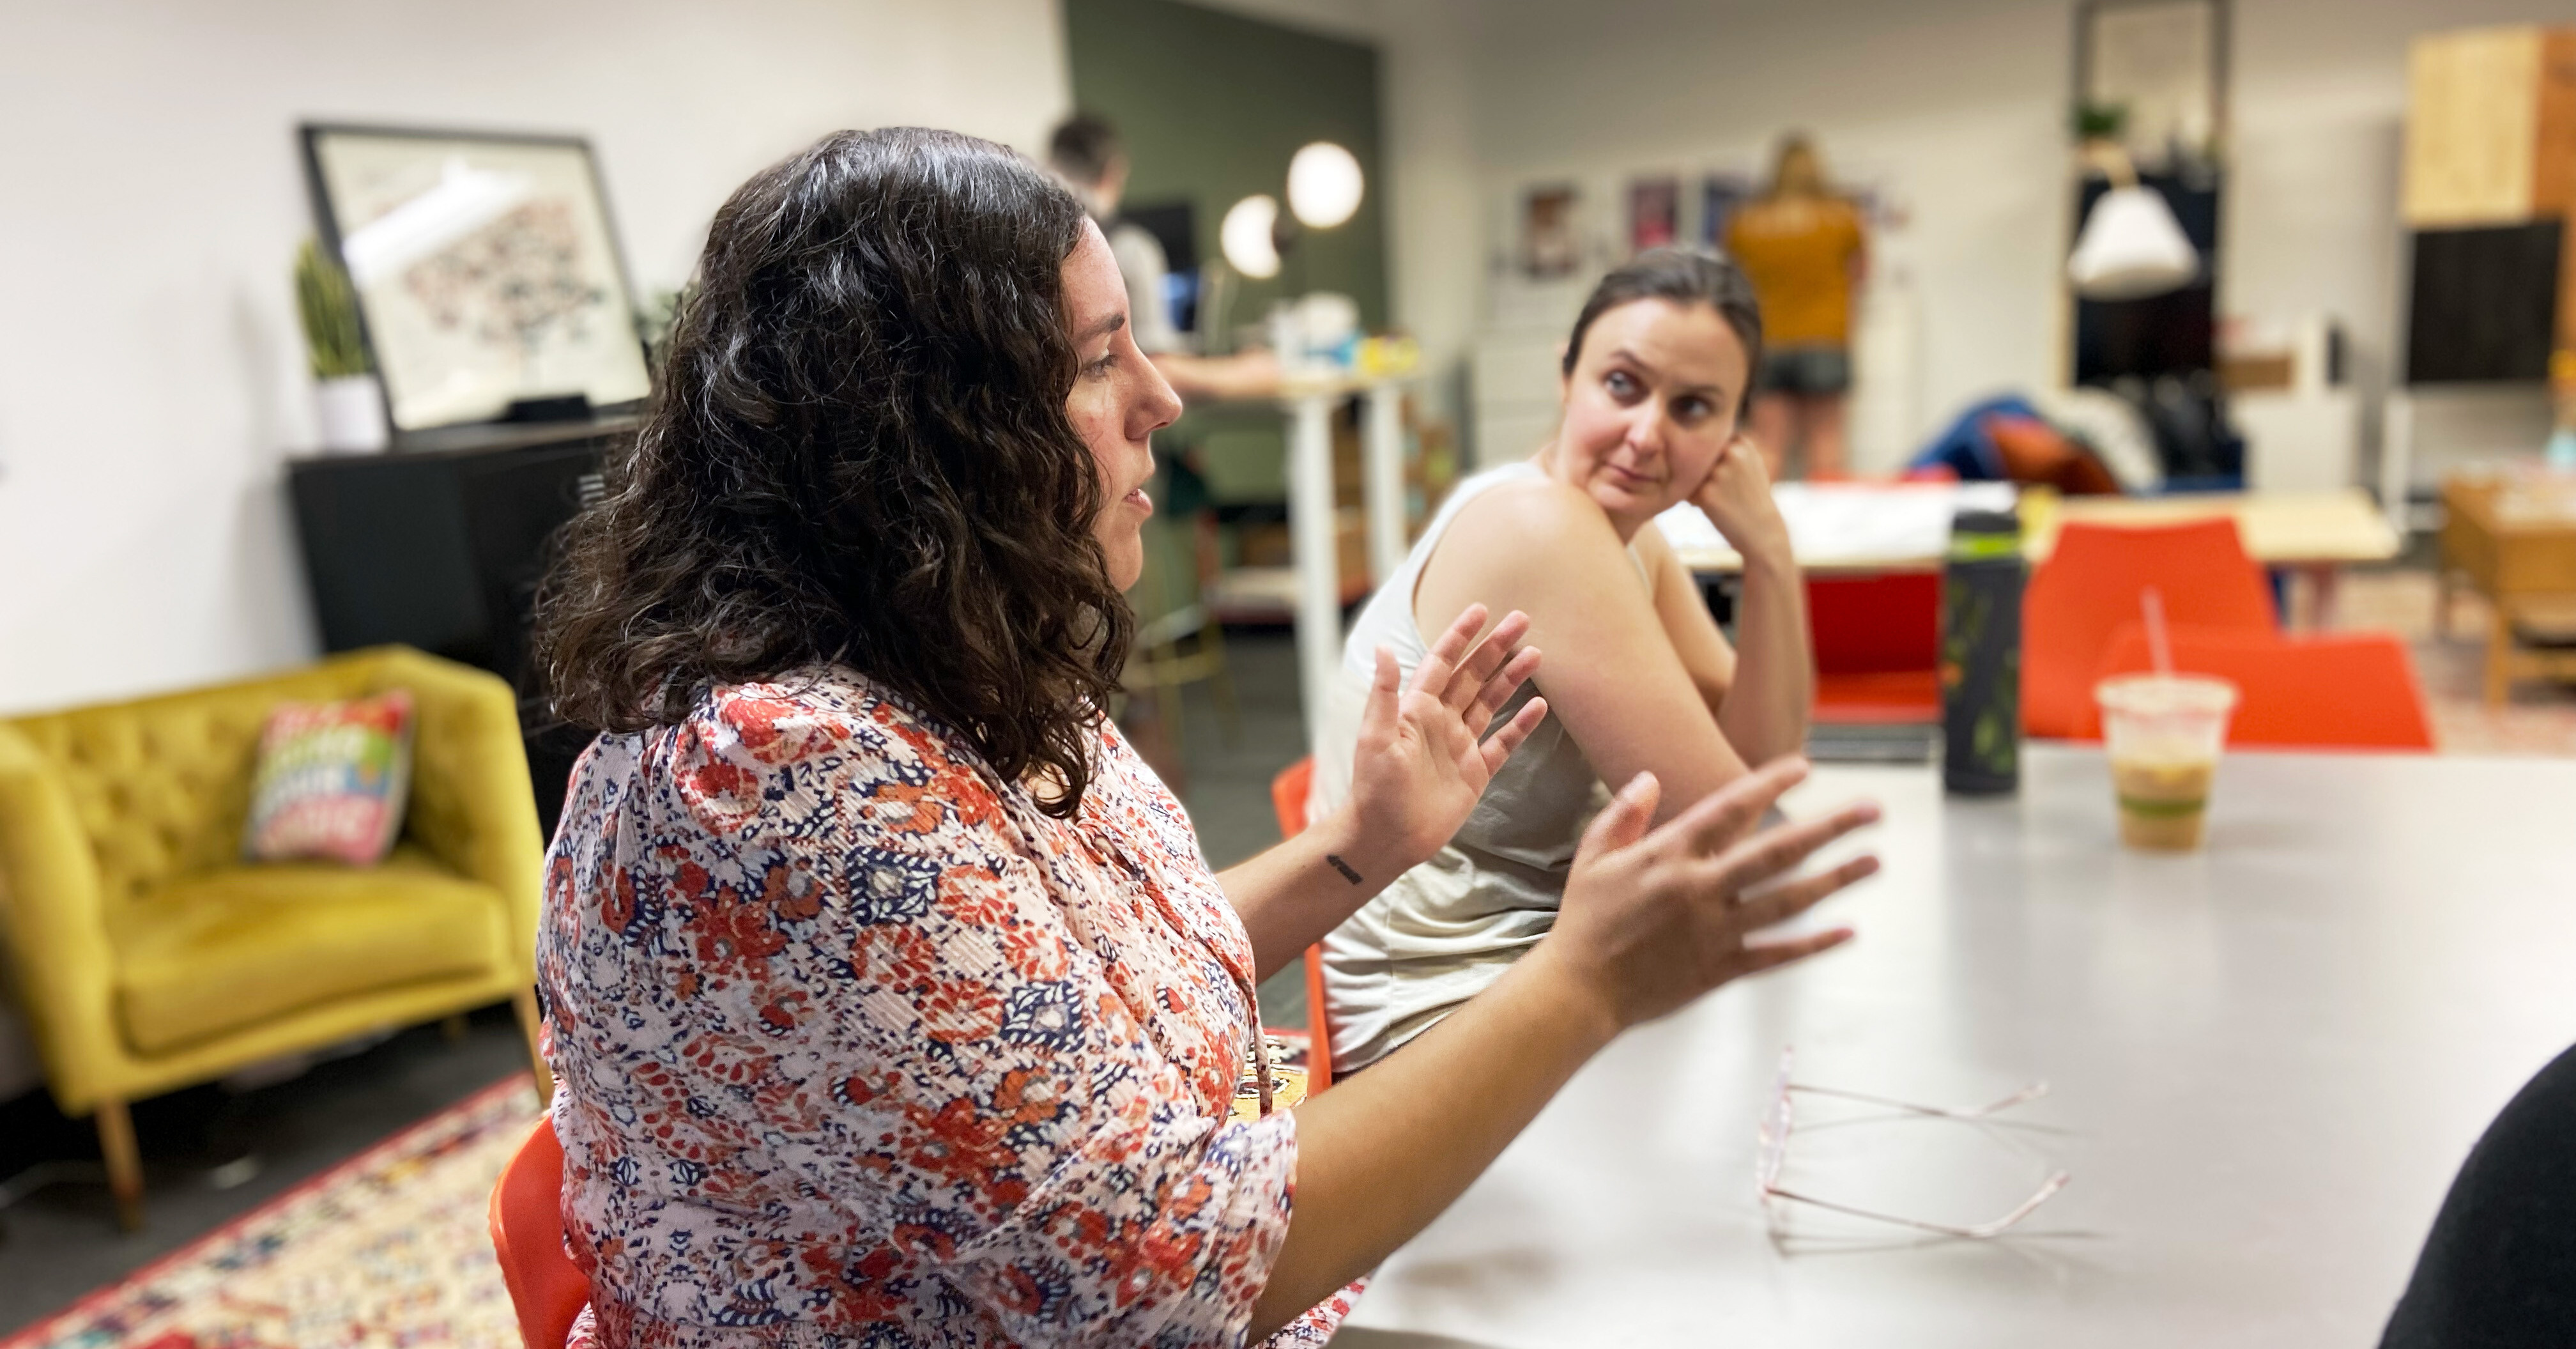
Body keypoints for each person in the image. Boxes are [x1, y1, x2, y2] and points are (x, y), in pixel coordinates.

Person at [530, 127, 1878, 1348]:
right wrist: (1583, 984)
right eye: (1099, 358)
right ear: (924, 432)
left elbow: (1096, 970)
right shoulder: (778, 782)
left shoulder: (948, 673)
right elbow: (1158, 1276)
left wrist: (1361, 847)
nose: (1163, 397)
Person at [1315, 247, 1815, 1076]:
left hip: (1530, 970)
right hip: (1436, 1021)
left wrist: (1769, 556)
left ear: (1734, 437)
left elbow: (1762, 769)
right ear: (1567, 377)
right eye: (1622, 384)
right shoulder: (1541, 528)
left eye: (1693, 407)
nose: (1646, 433)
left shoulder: (1627, 539)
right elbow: (1737, 839)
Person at [1047, 112, 1278, 401]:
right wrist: (1246, 372)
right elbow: (1155, 368)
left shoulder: (1030, 241)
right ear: (1114, 170)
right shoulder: (1130, 248)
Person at [1725, 134, 1867, 481]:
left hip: (1767, 341)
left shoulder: (1746, 223)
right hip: (1825, 338)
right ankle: (1828, 516)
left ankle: (1756, 515)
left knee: (1768, 446)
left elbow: (1732, 283)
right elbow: (1860, 276)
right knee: (1826, 444)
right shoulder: (1841, 218)